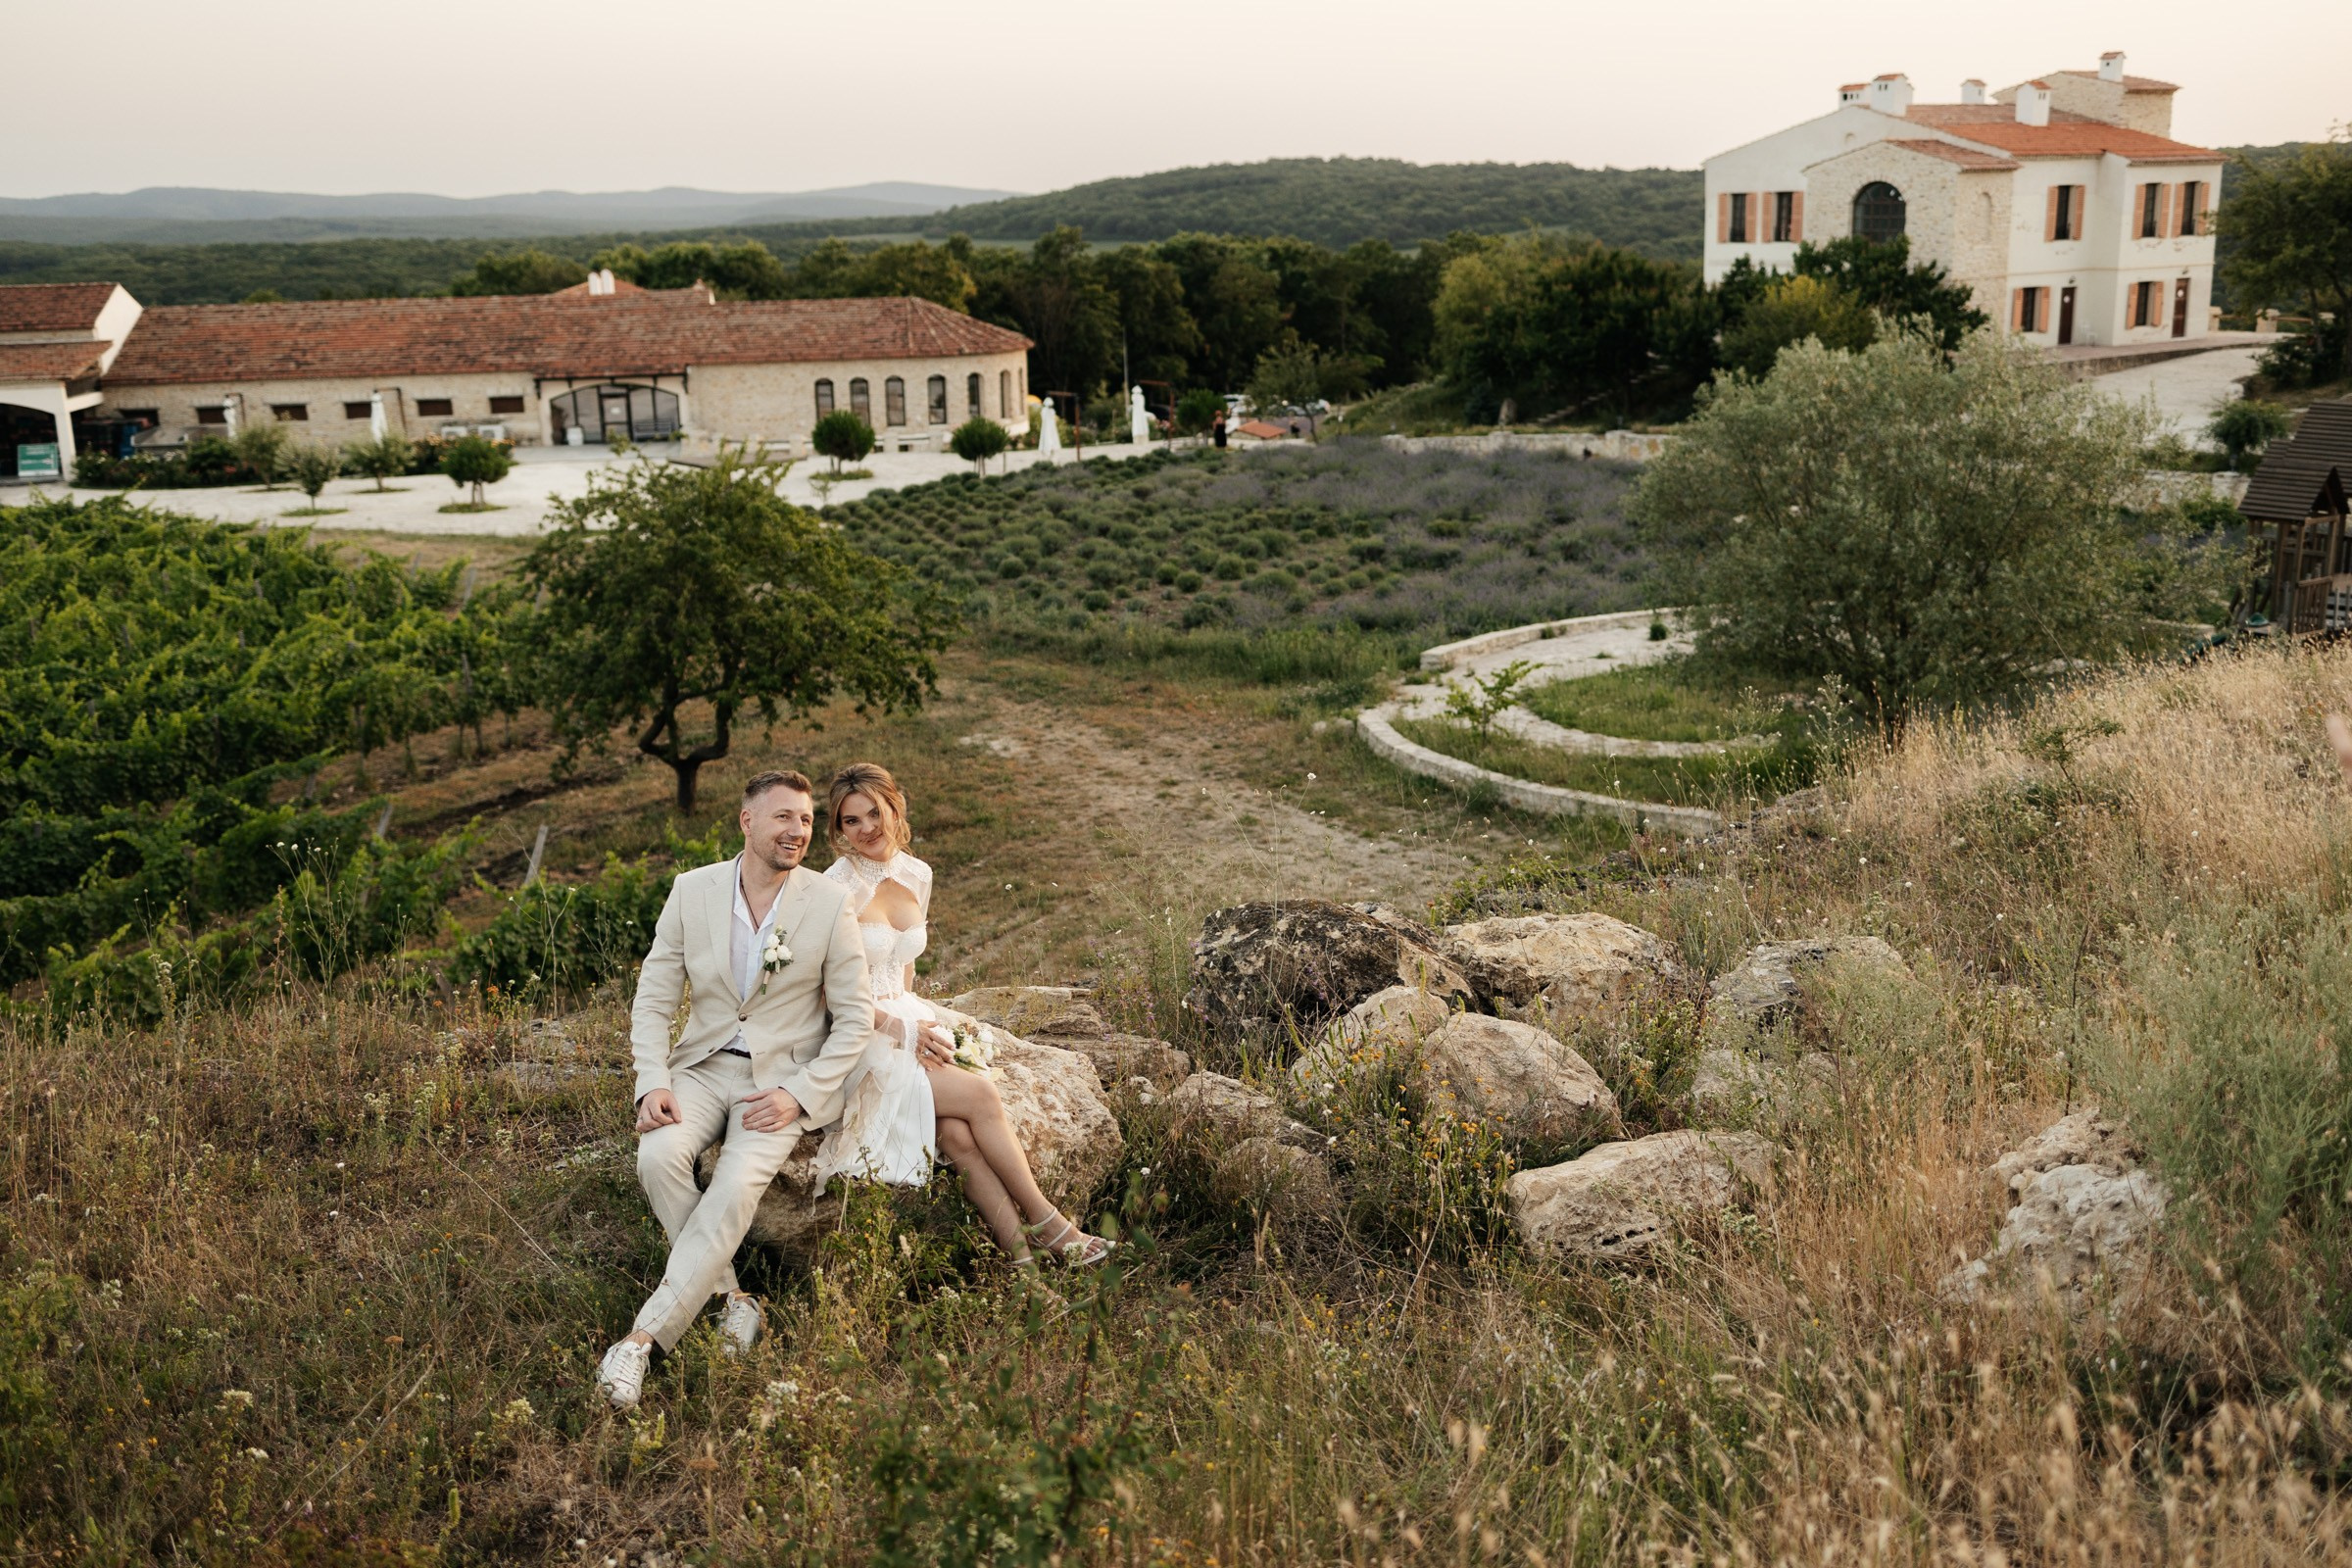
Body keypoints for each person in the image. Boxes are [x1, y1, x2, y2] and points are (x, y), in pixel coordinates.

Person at [596, 770, 874, 1411]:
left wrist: (802, 1095)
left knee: (735, 1182)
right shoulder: (691, 891)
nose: (798, 831)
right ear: (747, 822)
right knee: (658, 1158)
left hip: (777, 1085)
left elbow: (855, 1018)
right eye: (783, 818)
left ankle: (638, 1342)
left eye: (805, 820)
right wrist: (652, 1082)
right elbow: (654, 997)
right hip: (700, 1069)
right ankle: (734, 1300)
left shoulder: (829, 905)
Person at [814, 761, 1115, 1270]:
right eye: (850, 821)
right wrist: (901, 1028)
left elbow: (904, 966)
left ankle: (1024, 1264)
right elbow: (827, 994)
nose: (865, 829)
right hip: (859, 1033)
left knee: (956, 1137)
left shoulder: (918, 874)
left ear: (895, 807)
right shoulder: (834, 887)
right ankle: (1052, 1225)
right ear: (838, 828)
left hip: (907, 1019)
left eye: (873, 813)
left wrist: (925, 1020)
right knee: (981, 1094)